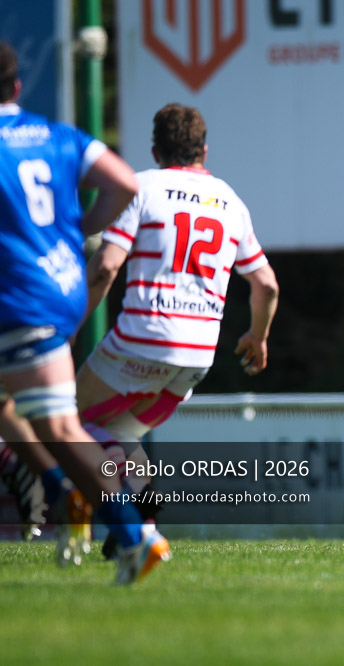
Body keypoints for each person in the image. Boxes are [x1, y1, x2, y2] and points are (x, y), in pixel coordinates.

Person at [74, 103, 279, 555]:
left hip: (143, 337)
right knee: (121, 433)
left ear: (154, 150)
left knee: (70, 420)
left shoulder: (142, 186)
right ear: (204, 150)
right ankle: (147, 522)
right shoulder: (229, 199)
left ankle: (131, 524)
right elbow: (265, 283)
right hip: (197, 354)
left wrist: (69, 323)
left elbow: (105, 268)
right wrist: (256, 336)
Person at [0, 41, 169, 583]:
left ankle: (130, 532)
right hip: (62, 286)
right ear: (17, 88)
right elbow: (124, 184)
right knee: (24, 411)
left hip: (20, 295)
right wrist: (75, 235)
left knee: (55, 423)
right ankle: (64, 492)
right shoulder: (58, 135)